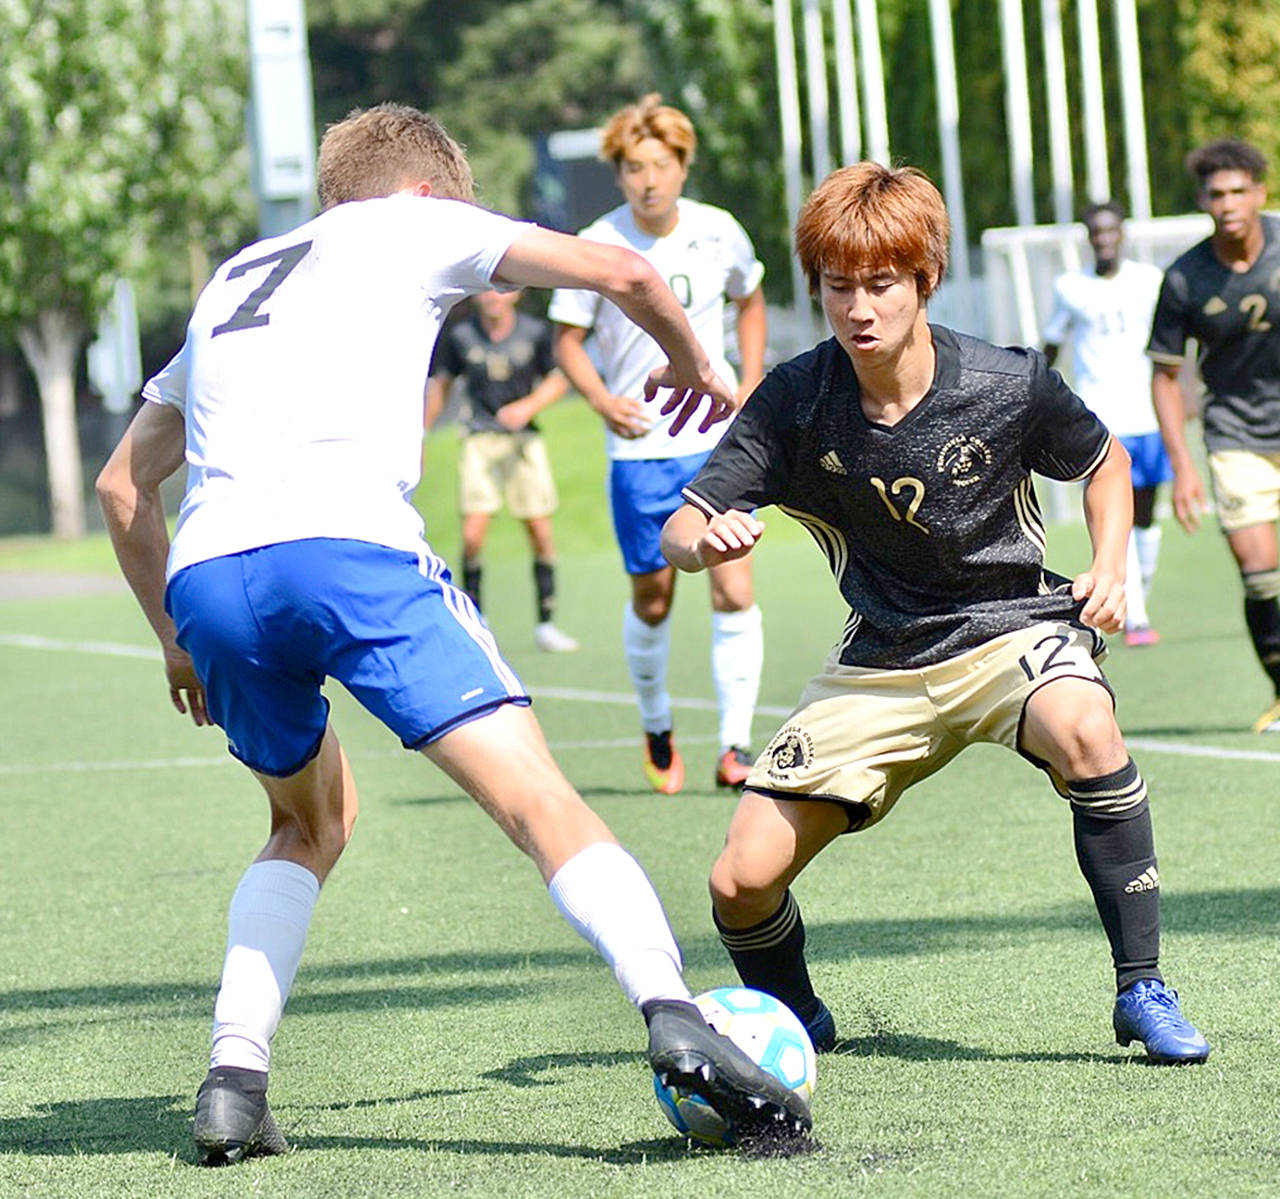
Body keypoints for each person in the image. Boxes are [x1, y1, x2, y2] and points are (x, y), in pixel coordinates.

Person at [95, 102, 810, 1167]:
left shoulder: (236, 277)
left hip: (210, 577)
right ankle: (673, 1011)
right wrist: (696, 364)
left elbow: (122, 486)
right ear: (427, 192)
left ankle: (233, 1080)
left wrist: (172, 638)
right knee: (538, 798)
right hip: (349, 555)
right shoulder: (414, 222)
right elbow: (625, 273)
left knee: (307, 823)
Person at [659, 162, 1210, 1066]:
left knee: (1086, 726)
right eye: (838, 286)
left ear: (926, 280)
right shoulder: (794, 401)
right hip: (881, 657)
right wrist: (702, 540)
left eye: (881, 284)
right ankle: (795, 1016)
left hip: (1011, 629)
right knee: (739, 880)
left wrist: (1111, 565)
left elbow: (1105, 461)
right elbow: (683, 523)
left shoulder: (1007, 381)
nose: (858, 308)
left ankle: (1142, 987)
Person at [549, 94, 768, 794]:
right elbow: (567, 340)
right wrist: (601, 399)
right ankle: (656, 724)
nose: (649, 181)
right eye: (634, 168)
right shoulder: (597, 243)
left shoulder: (718, 231)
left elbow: (750, 299)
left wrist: (751, 383)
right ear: (619, 174)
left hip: (716, 442)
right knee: (653, 600)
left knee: (734, 586)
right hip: (640, 450)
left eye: (661, 165)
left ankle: (736, 746)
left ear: (682, 166)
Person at [1147, 138, 1280, 732]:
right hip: (1235, 435)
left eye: (1237, 192)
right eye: (1216, 194)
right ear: (1203, 200)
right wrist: (1183, 466)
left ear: (1259, 193)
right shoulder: (1184, 278)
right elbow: (1165, 377)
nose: (1228, 204)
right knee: (1261, 574)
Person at [1042, 201, 1170, 647]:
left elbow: (1171, 344)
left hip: (1146, 413)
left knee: (1147, 517)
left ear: (1123, 232)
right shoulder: (1070, 288)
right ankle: (1137, 618)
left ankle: (1139, 593)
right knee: (1120, 515)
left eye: (1111, 230)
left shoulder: (1149, 281)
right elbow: (1051, 345)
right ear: (1088, 236)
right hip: (1099, 419)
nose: (1104, 239)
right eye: (1096, 232)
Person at [425, 288, 579, 653]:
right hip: (479, 440)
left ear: (515, 295)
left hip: (524, 441)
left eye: (502, 290)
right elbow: (441, 384)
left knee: (539, 530)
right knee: (473, 535)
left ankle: (546, 624)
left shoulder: (534, 332)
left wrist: (528, 407)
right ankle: (476, 620)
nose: (494, 297)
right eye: (487, 290)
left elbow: (559, 380)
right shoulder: (461, 335)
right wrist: (422, 433)